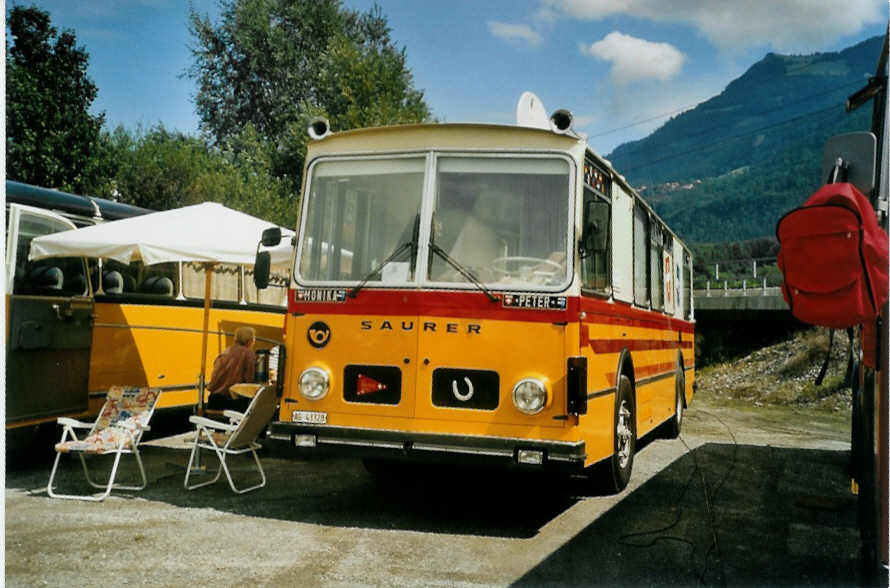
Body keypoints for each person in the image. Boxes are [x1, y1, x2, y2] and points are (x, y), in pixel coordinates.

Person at [206, 326, 257, 413]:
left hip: (213, 400)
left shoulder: (226, 351)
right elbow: (250, 381)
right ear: (250, 340)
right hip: (232, 402)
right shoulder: (248, 354)